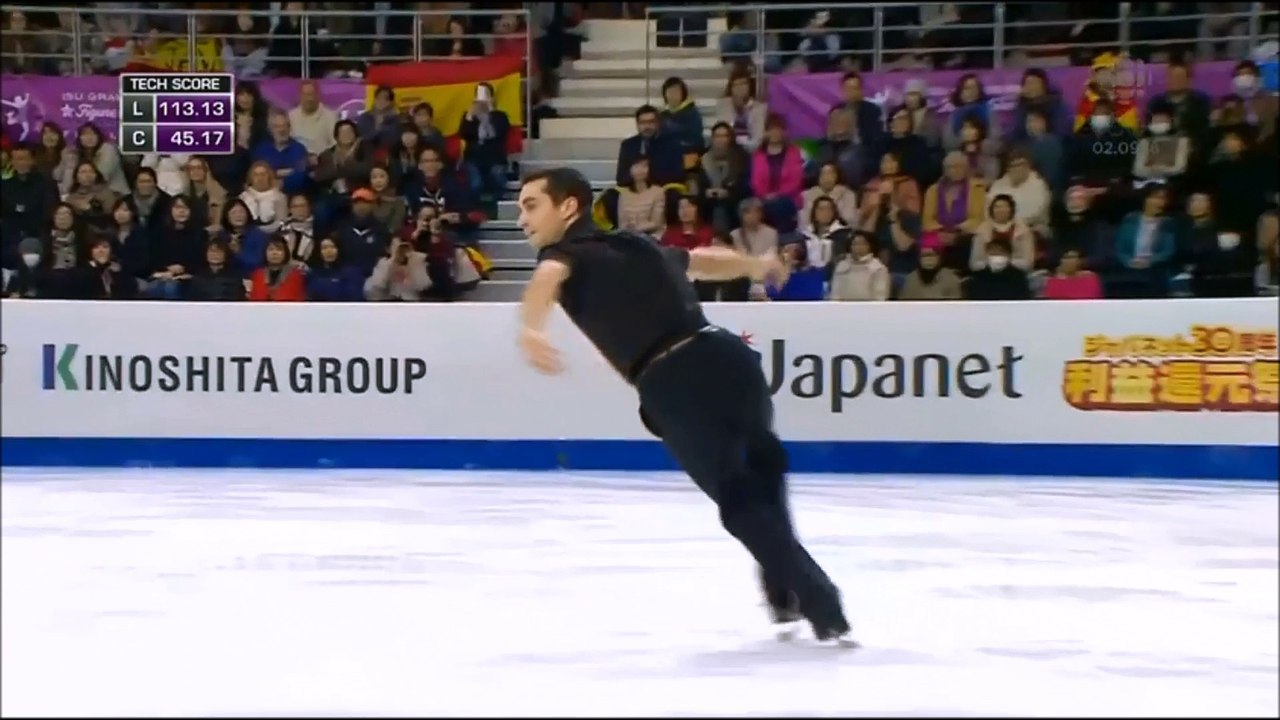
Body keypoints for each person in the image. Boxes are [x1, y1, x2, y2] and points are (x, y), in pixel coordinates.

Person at [514, 168, 855, 646]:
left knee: (738, 501)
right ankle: (783, 590)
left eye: (531, 206)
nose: (521, 220)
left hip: (672, 381)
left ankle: (822, 603)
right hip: (728, 356)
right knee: (762, 470)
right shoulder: (636, 244)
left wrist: (531, 327)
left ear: (568, 207)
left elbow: (547, 279)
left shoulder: (563, 254)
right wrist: (754, 265)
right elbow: (699, 262)